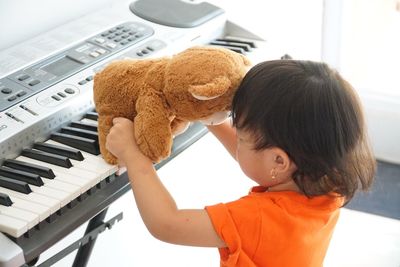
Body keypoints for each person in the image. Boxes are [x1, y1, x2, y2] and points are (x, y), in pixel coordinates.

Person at [105, 59, 376, 266]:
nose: (237, 140)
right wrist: (209, 115)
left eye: (242, 136)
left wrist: (134, 155)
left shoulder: (258, 219)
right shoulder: (330, 182)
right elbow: (257, 158)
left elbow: (167, 224)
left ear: (279, 161)